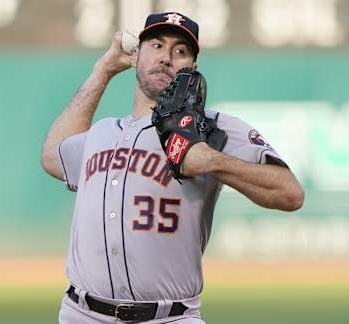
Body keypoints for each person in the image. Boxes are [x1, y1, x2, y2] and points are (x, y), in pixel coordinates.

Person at [41, 11, 304, 324]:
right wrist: (103, 70)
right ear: (136, 55)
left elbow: (290, 193)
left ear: (192, 68)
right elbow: (53, 156)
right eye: (156, 45)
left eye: (180, 51)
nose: (166, 58)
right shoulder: (102, 133)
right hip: (81, 314)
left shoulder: (210, 127)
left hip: (170, 318)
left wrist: (212, 160)